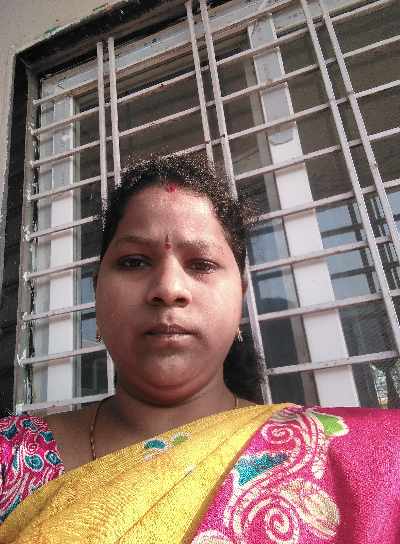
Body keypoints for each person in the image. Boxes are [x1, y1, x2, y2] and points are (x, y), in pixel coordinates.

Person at [0, 154, 399, 543]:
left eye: (202, 264)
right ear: (96, 291)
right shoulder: (10, 457)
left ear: (241, 294)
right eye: (135, 262)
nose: (168, 288)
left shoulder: (367, 459)